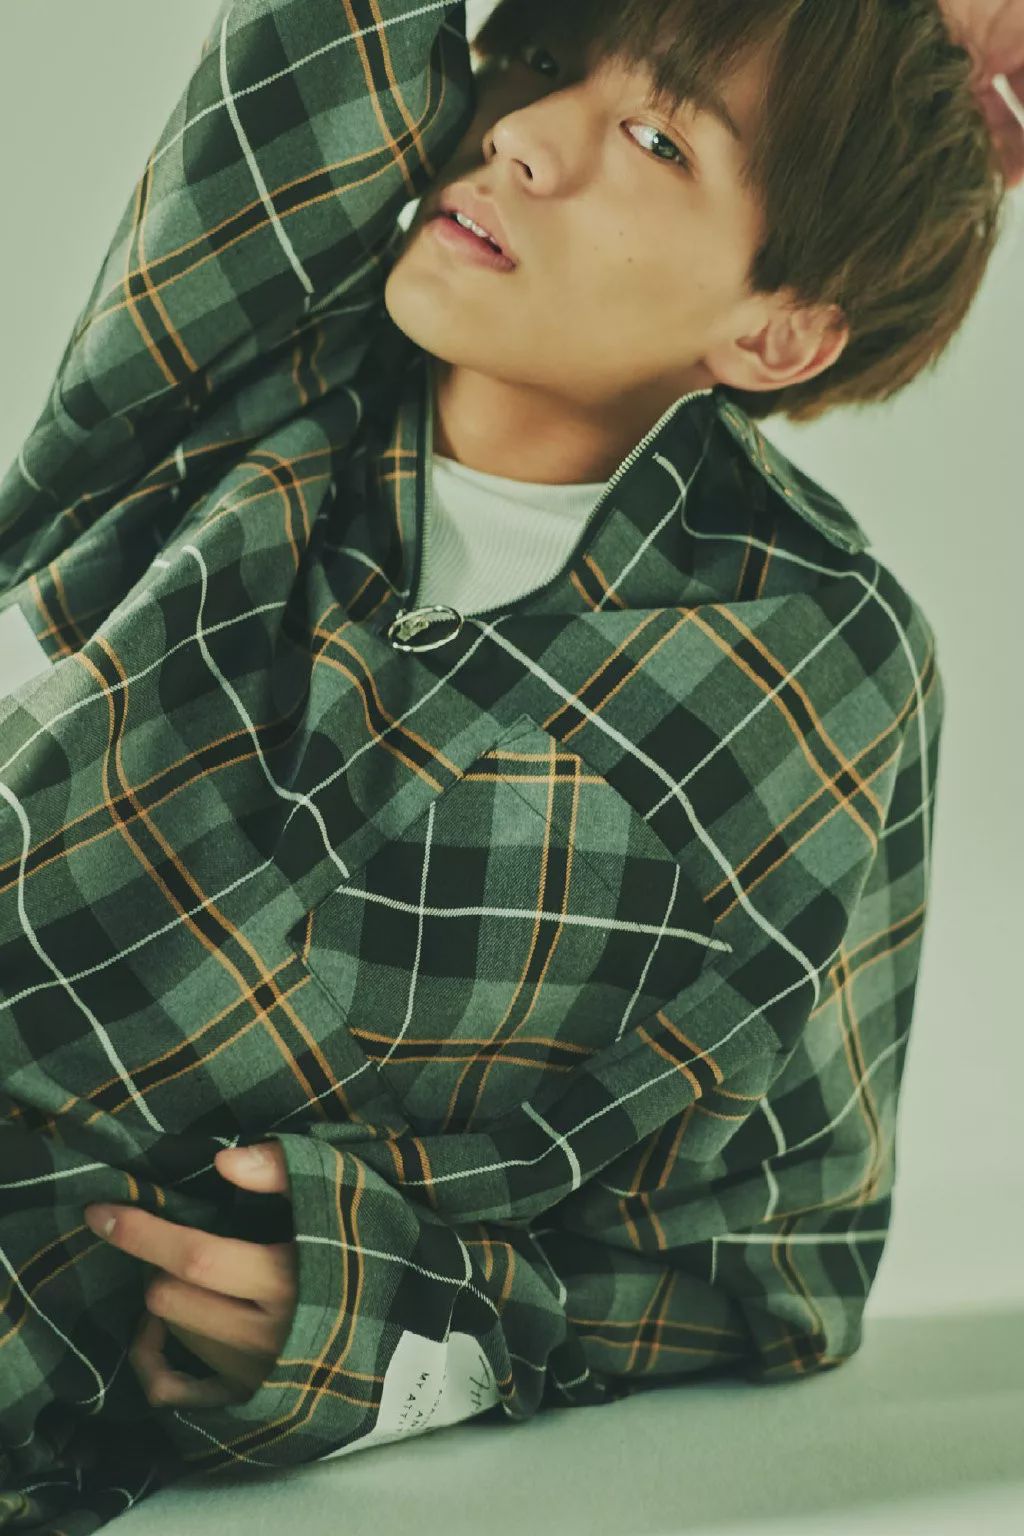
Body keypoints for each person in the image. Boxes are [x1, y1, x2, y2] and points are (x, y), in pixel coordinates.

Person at [0, 1, 1017, 1531]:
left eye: (657, 138)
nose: (522, 136)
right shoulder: (262, 360)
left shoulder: (809, 662)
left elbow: (772, 1267)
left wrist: (391, 1328)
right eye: (535, 55)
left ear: (778, 328)